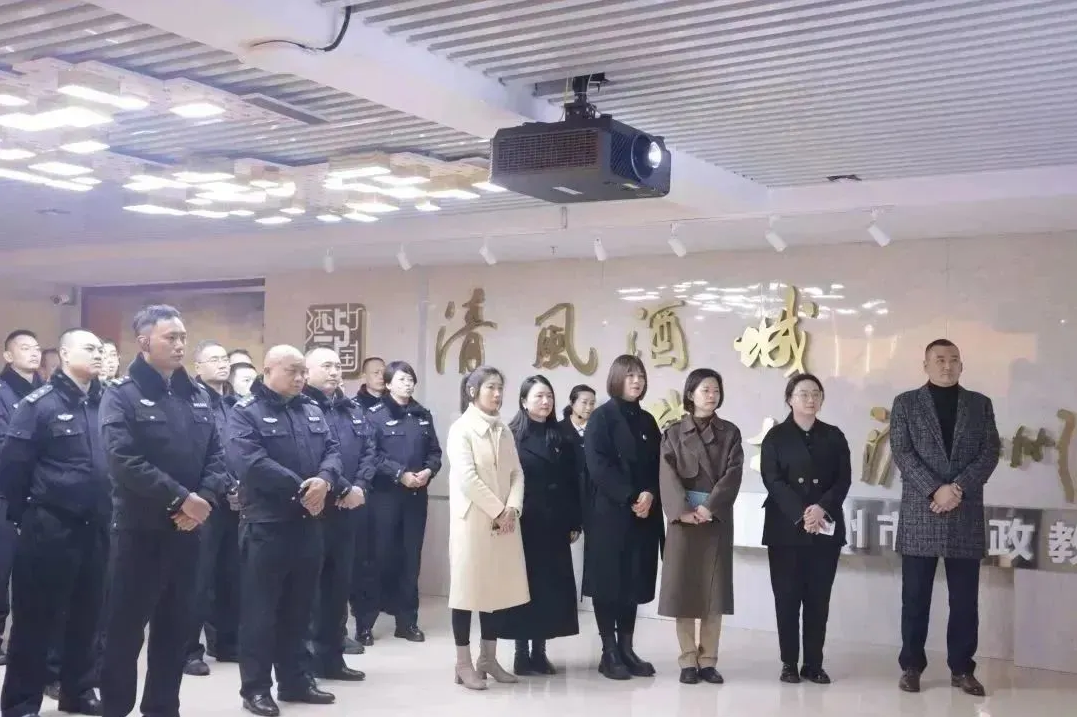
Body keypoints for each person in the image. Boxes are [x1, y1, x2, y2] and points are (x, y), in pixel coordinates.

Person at [98, 305, 228, 717]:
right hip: (139, 532)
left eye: (182, 337)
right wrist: (181, 498)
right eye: (170, 337)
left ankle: (162, 707)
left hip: (188, 532)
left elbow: (217, 456)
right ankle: (115, 708)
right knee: (124, 631)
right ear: (144, 342)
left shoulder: (198, 395)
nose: (179, 344)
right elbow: (123, 459)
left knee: (175, 629)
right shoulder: (121, 395)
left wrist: (202, 499)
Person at [227, 345, 346, 717]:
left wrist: (325, 481)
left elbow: (333, 451)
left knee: (300, 608)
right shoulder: (245, 412)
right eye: (292, 371)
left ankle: (296, 680)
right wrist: (304, 490)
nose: (300, 378)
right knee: (261, 613)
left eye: (302, 372)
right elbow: (250, 462)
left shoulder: (310, 409)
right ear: (268, 370)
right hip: (267, 525)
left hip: (308, 525)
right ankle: (256, 689)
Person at [0, 329, 110, 717]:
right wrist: (25, 515)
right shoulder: (40, 404)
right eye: (89, 348)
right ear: (64, 354)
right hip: (50, 523)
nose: (98, 354)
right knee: (36, 618)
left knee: (88, 615)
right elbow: (13, 468)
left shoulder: (106, 403)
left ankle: (78, 690)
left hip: (97, 525)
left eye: (100, 349)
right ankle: (21, 702)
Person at [890, 339, 999, 696]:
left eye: (953, 359)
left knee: (965, 601)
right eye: (939, 360)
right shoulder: (906, 403)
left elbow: (989, 453)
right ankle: (911, 667)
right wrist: (935, 490)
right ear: (925, 365)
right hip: (921, 513)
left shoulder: (980, 405)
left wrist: (957, 489)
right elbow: (902, 452)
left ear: (962, 365)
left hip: (964, 513)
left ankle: (962, 669)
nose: (947, 366)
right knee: (915, 598)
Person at [760, 373, 851, 685]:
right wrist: (802, 513)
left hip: (825, 526)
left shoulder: (834, 436)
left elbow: (843, 479)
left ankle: (814, 663)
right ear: (789, 399)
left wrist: (821, 508)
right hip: (785, 528)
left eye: (816, 393)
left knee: (818, 599)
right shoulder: (775, 437)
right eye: (803, 394)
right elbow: (772, 480)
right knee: (786, 598)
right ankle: (789, 663)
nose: (810, 399)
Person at [657, 368, 743, 685]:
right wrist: (683, 511)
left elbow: (733, 474)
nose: (711, 395)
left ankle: (708, 660)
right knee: (683, 591)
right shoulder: (673, 433)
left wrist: (710, 507)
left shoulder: (730, 433)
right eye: (705, 389)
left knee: (713, 594)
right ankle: (687, 660)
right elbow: (666, 474)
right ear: (690, 394)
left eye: (716, 389)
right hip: (684, 523)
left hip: (714, 520)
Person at [445, 366, 528, 690]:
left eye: (500, 388)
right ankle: (463, 663)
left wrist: (512, 508)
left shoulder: (503, 429)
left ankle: (488, 659)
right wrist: (497, 510)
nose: (497, 394)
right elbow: (467, 478)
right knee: (466, 593)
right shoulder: (461, 429)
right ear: (473, 391)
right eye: (491, 387)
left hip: (503, 522)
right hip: (473, 523)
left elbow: (516, 473)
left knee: (495, 590)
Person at [582, 354, 663, 681]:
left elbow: (659, 465)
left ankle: (627, 649)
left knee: (632, 581)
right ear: (616, 379)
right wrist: (630, 496)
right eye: (629, 375)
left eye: (640, 375)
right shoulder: (601, 418)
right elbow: (598, 466)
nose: (636, 381)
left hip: (643, 516)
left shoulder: (648, 421)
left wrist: (650, 493)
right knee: (609, 583)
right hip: (610, 515)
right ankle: (609, 651)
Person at [495, 375, 580, 676]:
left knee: (549, 589)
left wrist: (574, 520)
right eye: (539, 396)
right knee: (523, 587)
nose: (545, 402)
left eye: (549, 397)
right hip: (524, 521)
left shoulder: (561, 435)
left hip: (554, 523)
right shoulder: (511, 435)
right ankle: (521, 653)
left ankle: (540, 652)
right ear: (523, 401)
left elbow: (573, 481)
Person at [359, 361, 442, 644]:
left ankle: (407, 622)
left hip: (416, 497)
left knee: (410, 560)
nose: (408, 384)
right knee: (377, 559)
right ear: (388, 384)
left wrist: (428, 471)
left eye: (410, 379)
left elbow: (435, 452)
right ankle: (365, 624)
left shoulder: (422, 414)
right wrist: (399, 474)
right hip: (385, 498)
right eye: (402, 379)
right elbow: (371, 455)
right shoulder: (374, 415)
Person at [301, 347, 369, 680]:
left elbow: (369, 451)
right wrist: (342, 489)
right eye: (326, 365)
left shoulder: (351, 408)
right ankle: (306, 662)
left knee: (338, 588)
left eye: (338, 366)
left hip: (348, 511)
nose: (334, 371)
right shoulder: (301, 407)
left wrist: (359, 488)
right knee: (309, 589)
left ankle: (332, 658)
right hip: (314, 510)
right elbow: (314, 456)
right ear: (307, 371)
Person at [184, 340, 242, 676]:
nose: (222, 364)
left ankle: (226, 642)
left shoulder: (234, 404)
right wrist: (223, 485)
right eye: (214, 359)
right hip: (204, 498)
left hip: (235, 503)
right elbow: (202, 453)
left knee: (229, 574)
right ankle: (188, 650)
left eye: (225, 358)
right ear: (198, 367)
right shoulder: (192, 401)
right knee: (198, 578)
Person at [0, 329, 43, 666]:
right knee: (2, 570)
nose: (33, 353)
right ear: (8, 356)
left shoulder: (47, 393)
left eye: (36, 348)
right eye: (24, 348)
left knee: (36, 574)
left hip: (40, 494)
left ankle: (27, 646)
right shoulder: (2, 392)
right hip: (6, 491)